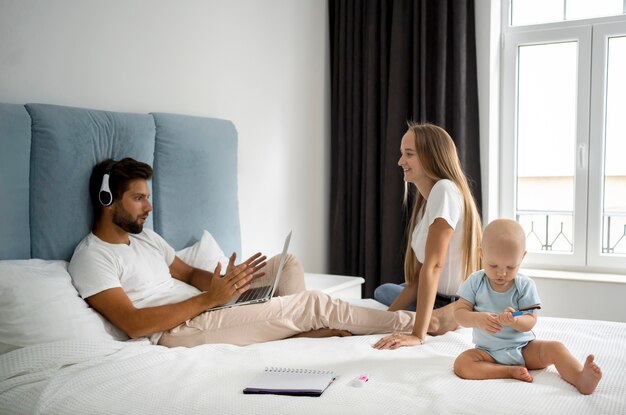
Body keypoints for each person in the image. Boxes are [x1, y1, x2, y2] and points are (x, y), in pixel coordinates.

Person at [68, 157, 418, 347]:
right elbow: (133, 325)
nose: (149, 207)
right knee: (313, 303)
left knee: (286, 262)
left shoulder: (145, 238)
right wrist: (209, 299)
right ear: (107, 201)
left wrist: (228, 283)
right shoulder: (92, 257)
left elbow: (188, 274)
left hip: (205, 304)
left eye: (148, 196)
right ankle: (419, 324)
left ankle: (296, 331)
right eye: (139, 198)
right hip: (179, 330)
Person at [453, 219, 602, 395]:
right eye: (493, 265)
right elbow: (459, 313)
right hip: (488, 353)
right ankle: (508, 371)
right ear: (481, 254)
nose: (501, 273)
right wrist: (476, 319)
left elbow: (531, 321)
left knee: (556, 348)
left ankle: (580, 378)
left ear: (522, 257)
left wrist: (515, 320)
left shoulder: (524, 285)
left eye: (510, 266)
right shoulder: (475, 282)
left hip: (523, 349)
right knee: (462, 364)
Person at [373, 123, 482, 349]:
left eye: (408, 154)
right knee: (383, 292)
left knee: (383, 292)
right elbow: (415, 280)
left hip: (447, 301)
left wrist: (417, 335)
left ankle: (449, 314)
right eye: (402, 154)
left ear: (431, 156)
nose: (400, 161)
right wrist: (381, 322)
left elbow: (433, 266)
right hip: (434, 292)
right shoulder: (429, 199)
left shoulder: (445, 190)